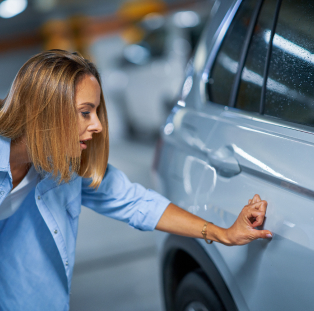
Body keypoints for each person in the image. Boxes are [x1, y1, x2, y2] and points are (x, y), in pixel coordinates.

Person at [0, 50, 272, 310]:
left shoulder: (67, 167)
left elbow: (135, 201)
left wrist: (221, 233)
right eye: (85, 112)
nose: (98, 125)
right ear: (45, 111)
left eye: (96, 112)